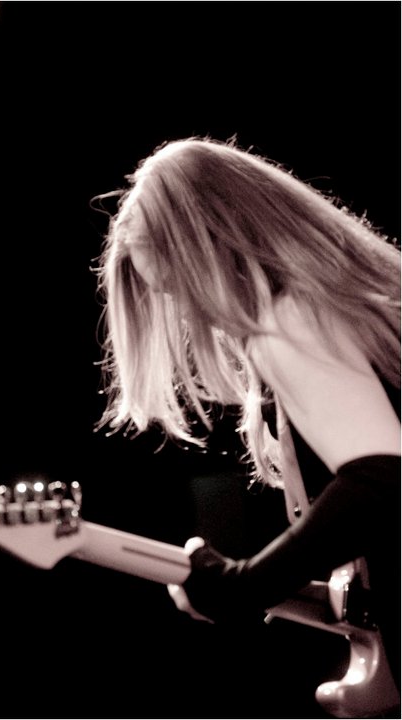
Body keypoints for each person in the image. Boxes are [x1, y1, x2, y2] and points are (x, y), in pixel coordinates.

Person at [94, 137, 401, 699]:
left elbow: (382, 480)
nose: (193, 315)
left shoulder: (290, 315)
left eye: (182, 288)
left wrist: (244, 585)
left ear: (213, 249)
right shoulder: (350, 299)